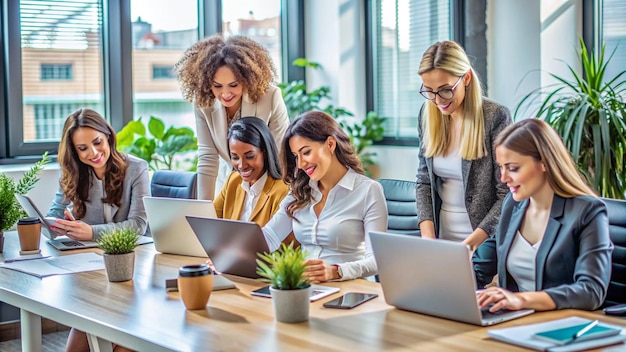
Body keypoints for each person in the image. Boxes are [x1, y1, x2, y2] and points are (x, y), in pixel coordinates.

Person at [476, 118, 612, 312]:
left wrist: (521, 300)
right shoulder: (512, 205)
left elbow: (591, 292)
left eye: (513, 168)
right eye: (501, 167)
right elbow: (481, 265)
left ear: (544, 163)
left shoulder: (588, 212)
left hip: (563, 326)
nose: (503, 178)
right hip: (514, 322)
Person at [47, 108, 148, 352]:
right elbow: (53, 214)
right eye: (82, 148)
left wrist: (91, 233)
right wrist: (56, 224)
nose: (93, 153)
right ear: (74, 151)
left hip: (130, 268)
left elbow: (137, 226)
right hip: (87, 269)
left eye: (97, 142)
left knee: (119, 345)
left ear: (108, 136)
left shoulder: (136, 169)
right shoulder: (72, 173)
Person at [262, 111, 388, 283]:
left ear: (330, 144)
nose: (300, 164)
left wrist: (335, 271)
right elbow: (269, 236)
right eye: (296, 156)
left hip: (352, 289)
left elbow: (377, 260)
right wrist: (231, 255)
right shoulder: (299, 191)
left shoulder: (368, 191)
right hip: (307, 289)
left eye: (306, 152)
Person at [415, 40, 512, 250]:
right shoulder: (427, 114)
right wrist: (428, 240)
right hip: (442, 237)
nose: (438, 100)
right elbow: (424, 182)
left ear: (466, 77)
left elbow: (507, 193)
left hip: (485, 241)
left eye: (445, 90)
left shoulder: (495, 117)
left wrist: (469, 245)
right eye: (429, 91)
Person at [175, 34, 289, 200]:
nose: (226, 94)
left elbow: (280, 154)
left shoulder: (270, 97)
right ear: (207, 84)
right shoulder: (203, 103)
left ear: (247, 79)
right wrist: (204, 209)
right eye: (217, 86)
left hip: (268, 184)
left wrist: (272, 199)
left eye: (234, 85)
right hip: (227, 184)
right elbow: (208, 158)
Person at [214, 116, 289, 228]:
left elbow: (286, 243)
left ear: (264, 152)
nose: (241, 165)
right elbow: (210, 220)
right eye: (235, 157)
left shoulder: (283, 191)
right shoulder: (233, 180)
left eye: (249, 156)